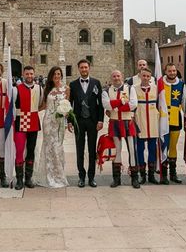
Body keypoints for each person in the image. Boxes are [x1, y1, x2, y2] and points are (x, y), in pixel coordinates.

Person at [69, 59, 104, 188]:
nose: (84, 69)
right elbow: (69, 105)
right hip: (78, 121)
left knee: (91, 150)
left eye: (86, 67)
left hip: (92, 121)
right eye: (81, 68)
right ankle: (81, 177)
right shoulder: (73, 85)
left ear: (89, 68)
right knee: (80, 149)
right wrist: (70, 122)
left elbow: (100, 104)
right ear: (78, 69)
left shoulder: (96, 83)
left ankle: (91, 177)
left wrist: (100, 120)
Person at [102, 70, 139, 188]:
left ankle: (135, 178)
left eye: (118, 76)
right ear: (111, 78)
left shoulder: (130, 88)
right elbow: (106, 105)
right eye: (114, 76)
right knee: (116, 151)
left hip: (128, 122)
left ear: (121, 76)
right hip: (115, 124)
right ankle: (116, 178)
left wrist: (117, 108)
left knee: (132, 150)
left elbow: (133, 104)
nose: (116, 78)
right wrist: (121, 102)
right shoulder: (107, 91)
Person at [35, 66, 69, 188]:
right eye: (54, 74)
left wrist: (65, 114)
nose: (56, 76)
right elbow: (43, 105)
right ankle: (49, 174)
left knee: (58, 147)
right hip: (48, 121)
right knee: (49, 147)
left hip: (59, 121)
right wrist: (31, 110)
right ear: (51, 76)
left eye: (58, 74)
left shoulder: (67, 89)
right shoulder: (47, 88)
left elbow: (68, 105)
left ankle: (59, 174)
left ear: (61, 75)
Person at [12, 65, 43, 190]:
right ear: (23, 75)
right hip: (20, 122)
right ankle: (19, 179)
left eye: (31, 74)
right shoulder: (16, 89)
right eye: (27, 74)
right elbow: (12, 106)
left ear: (34, 74)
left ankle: (28, 178)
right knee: (19, 151)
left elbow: (40, 103)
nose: (29, 76)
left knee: (31, 150)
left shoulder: (39, 88)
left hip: (33, 122)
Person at [134, 68, 165, 184]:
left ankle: (151, 174)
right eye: (144, 76)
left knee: (152, 149)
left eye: (148, 76)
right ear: (140, 76)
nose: (146, 78)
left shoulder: (156, 89)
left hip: (153, 122)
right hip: (140, 122)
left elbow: (161, 105)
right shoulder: (134, 89)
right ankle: (142, 174)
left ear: (150, 77)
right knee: (140, 149)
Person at [158, 63, 186, 184]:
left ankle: (173, 174)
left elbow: (184, 101)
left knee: (173, 146)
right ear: (165, 72)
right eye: (170, 71)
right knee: (164, 145)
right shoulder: (160, 83)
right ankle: (164, 174)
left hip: (175, 118)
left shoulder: (181, 84)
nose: (172, 73)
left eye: (174, 71)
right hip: (163, 118)